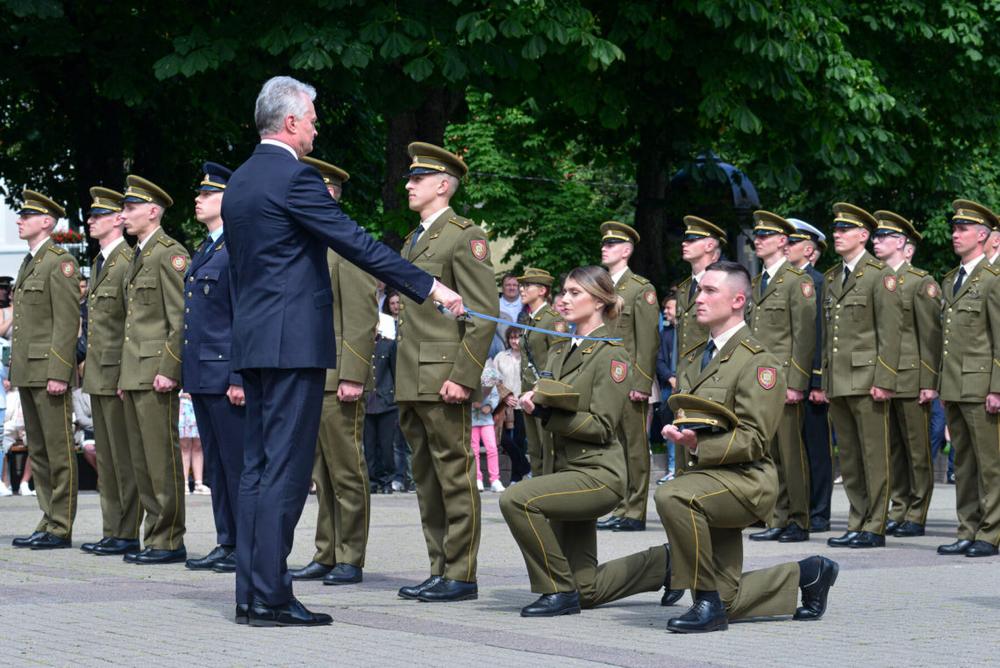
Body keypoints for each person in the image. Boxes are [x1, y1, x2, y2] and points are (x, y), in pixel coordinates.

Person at [222, 76, 461, 627]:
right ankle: (272, 597)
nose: (315, 126)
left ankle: (251, 593)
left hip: (255, 342)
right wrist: (430, 286)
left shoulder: (239, 182)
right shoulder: (294, 178)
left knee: (256, 470)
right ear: (289, 123)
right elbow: (354, 242)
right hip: (293, 346)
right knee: (283, 471)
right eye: (310, 118)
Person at [657, 261, 838, 633]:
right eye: (698, 291)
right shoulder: (694, 358)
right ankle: (809, 573)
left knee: (671, 496)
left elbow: (755, 438)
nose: (698, 299)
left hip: (747, 480)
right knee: (731, 599)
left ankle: (704, 601)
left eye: (710, 292)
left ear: (738, 300)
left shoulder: (759, 363)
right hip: (707, 480)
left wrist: (696, 445)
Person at [501, 266, 669, 617]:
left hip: (597, 475)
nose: (564, 299)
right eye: (563, 292)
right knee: (587, 590)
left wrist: (547, 413)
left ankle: (556, 590)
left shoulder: (612, 356)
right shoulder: (561, 351)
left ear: (600, 301)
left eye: (575, 293)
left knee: (517, 500)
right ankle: (665, 562)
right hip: (565, 470)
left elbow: (602, 426)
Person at [393, 141, 498, 605]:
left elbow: (482, 313)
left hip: (442, 377)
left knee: (454, 475)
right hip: (412, 375)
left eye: (418, 179)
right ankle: (439, 568)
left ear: (442, 184)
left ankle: (461, 573)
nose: (409, 185)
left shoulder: (463, 235)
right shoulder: (413, 239)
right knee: (427, 478)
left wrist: (464, 375)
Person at [289, 156, 377, 587]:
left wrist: (354, 374)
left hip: (339, 376)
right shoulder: (310, 241)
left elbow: (361, 315)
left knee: (346, 471)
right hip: (313, 374)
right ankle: (326, 551)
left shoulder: (345, 244)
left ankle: (350, 555)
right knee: (321, 474)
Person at [815, 203, 902, 550]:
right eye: (835, 230)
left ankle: (875, 525)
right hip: (839, 380)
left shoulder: (880, 275)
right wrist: (824, 380)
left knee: (874, 455)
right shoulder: (834, 277)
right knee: (849, 456)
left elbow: (890, 333)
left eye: (844, 230)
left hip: (868, 380)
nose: (837, 235)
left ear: (863, 235)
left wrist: (884, 378)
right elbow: (828, 335)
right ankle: (857, 520)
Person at [118, 174, 190, 565]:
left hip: (155, 373)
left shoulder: (168, 253)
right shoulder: (140, 255)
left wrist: (170, 368)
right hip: (134, 371)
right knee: (142, 460)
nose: (123, 215)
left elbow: (179, 318)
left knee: (161, 459)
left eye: (130, 208)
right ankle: (154, 535)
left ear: (152, 210)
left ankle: (169, 538)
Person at [180, 162, 245, 574]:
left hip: (225, 375)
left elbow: (243, 315)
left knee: (237, 464)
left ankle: (245, 544)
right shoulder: (207, 249)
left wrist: (239, 376)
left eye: (208, 194)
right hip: (203, 374)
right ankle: (227, 539)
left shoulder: (237, 247)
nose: (199, 199)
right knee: (218, 467)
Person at [9, 190, 81, 551]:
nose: (19, 220)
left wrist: (59, 372)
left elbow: (67, 323)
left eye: (27, 215)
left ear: (47, 222)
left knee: (58, 450)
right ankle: (47, 517)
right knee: (38, 450)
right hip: (27, 370)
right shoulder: (30, 262)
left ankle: (61, 525)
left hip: (48, 371)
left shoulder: (59, 262)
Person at [745, 211, 816, 544]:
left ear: (783, 241)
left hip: (785, 381)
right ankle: (777, 516)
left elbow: (804, 335)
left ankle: (799, 520)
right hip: (762, 381)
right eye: (756, 236)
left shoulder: (795, 280)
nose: (758, 240)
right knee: (769, 454)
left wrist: (797, 382)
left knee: (791, 454)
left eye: (765, 236)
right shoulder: (759, 281)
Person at [79, 187, 141, 557]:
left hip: (117, 372)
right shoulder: (102, 262)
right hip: (99, 373)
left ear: (118, 219)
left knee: (122, 456)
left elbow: (132, 322)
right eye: (90, 216)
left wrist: (124, 372)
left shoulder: (126, 261)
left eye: (98, 216)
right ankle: (113, 528)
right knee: (107, 455)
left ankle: (127, 530)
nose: (90, 221)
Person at [871, 210, 941, 538]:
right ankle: (898, 508)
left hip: (912, 377)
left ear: (902, 244)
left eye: (883, 237)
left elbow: (930, 335)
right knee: (893, 450)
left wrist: (929, 381)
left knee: (917, 450)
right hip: (884, 378)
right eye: (875, 236)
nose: (876, 241)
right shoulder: (873, 279)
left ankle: (917, 511)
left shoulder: (919, 282)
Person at [937, 199, 1000, 558]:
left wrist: (996, 386)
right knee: (963, 461)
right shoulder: (952, 280)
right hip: (956, 385)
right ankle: (968, 527)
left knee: (990, 464)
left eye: (962, 230)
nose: (954, 235)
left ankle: (990, 533)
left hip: (981, 386)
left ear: (982, 235)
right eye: (955, 229)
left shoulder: (993, 280)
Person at [595, 221, 659, 533]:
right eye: (604, 244)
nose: (604, 248)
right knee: (614, 447)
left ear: (626, 250)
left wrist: (642, 382)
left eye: (611, 245)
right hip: (606, 382)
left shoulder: (640, 289)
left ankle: (635, 511)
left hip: (630, 381)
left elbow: (647, 341)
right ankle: (620, 506)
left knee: (634, 447)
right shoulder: (601, 288)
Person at [786, 218, 833, 533]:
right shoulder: (783, 282)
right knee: (790, 450)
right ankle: (795, 508)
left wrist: (817, 380)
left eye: (793, 243)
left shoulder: (815, 282)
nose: (786, 246)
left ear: (810, 250)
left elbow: (818, 333)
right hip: (787, 378)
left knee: (815, 448)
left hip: (809, 380)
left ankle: (819, 512)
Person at [673, 216, 726, 477]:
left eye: (692, 239)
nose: (685, 243)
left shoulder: (724, 282)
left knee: (707, 442)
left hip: (712, 373)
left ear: (709, 246)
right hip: (687, 375)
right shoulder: (685, 288)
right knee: (685, 445)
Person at [517, 267, 565, 477]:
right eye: (522, 285)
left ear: (542, 291)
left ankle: (547, 489)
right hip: (527, 391)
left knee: (548, 446)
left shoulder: (552, 319)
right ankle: (537, 487)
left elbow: (558, 357)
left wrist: (543, 388)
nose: (521, 289)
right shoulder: (530, 319)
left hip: (543, 393)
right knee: (534, 447)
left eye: (527, 285)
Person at [491, 326, 531, 483]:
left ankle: (515, 477)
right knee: (505, 441)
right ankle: (526, 468)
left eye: (518, 337)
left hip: (523, 405)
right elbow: (492, 378)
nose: (515, 341)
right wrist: (505, 396)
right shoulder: (501, 356)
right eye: (512, 338)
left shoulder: (528, 357)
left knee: (520, 442)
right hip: (505, 406)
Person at [654, 292, 677, 484]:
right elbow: (659, 360)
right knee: (670, 427)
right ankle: (672, 468)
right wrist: (670, 377)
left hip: (688, 387)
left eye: (669, 307)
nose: (666, 311)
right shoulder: (666, 334)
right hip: (669, 388)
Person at [471, 366, 504, 492]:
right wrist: (473, 404)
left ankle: (495, 479)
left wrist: (490, 406)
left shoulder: (491, 379)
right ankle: (477, 478)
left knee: (492, 448)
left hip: (486, 420)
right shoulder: (473, 380)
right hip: (473, 421)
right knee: (474, 450)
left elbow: (495, 396)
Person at [177, 391, 206, 495]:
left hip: (197, 403)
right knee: (184, 446)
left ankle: (199, 483)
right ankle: (184, 483)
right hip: (183, 403)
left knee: (199, 445)